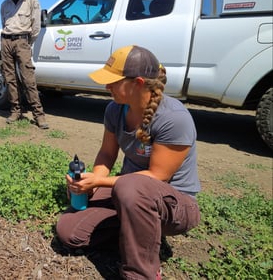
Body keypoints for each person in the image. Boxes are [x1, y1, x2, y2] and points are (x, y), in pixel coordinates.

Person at [55, 45, 201, 279]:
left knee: (128, 187)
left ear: (138, 83)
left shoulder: (174, 118)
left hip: (175, 206)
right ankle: (138, 232)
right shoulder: (115, 109)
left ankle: (141, 272)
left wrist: (103, 183)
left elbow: (159, 176)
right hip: (129, 194)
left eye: (114, 81)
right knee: (70, 232)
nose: (106, 86)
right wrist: (92, 181)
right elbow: (106, 154)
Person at [0, 0, 48, 129]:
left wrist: (26, 42)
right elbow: (3, 23)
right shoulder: (4, 4)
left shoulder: (32, 1)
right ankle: (15, 110)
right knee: (10, 78)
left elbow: (35, 27)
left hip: (22, 41)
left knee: (28, 78)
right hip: (6, 40)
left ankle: (38, 114)